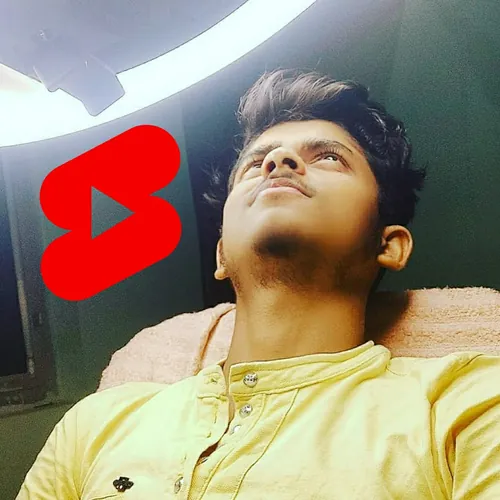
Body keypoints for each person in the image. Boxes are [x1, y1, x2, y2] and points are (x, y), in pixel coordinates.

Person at [17, 69, 499, 499]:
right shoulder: (95, 425)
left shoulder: (466, 406)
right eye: (255, 163)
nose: (279, 160)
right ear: (221, 254)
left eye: (329, 158)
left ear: (389, 244)